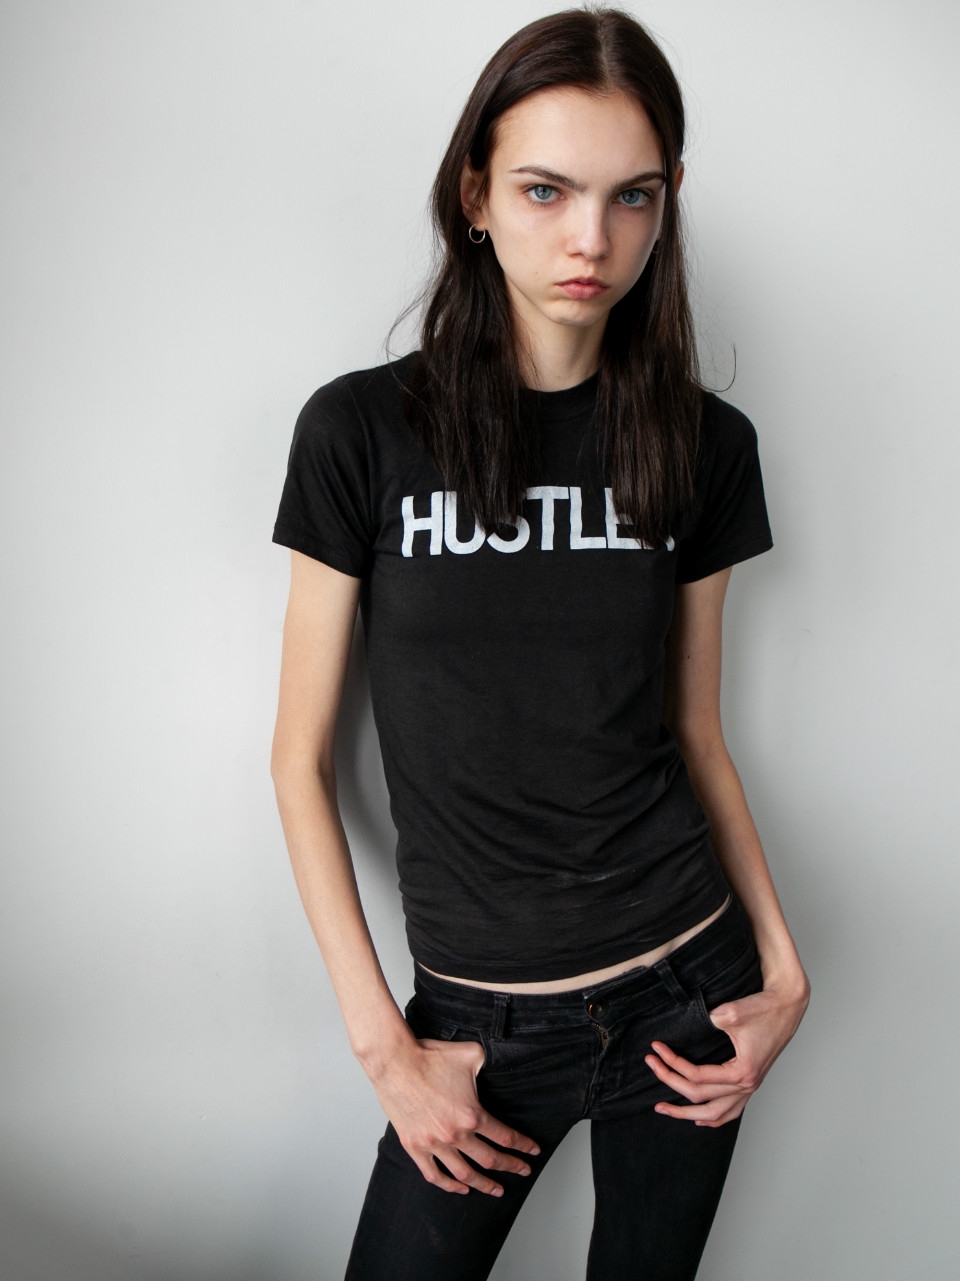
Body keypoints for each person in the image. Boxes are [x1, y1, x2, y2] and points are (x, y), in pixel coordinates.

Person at [270, 8, 809, 1279]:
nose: (590, 240)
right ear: (475, 195)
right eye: (545, 189)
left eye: (633, 196)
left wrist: (785, 972)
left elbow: (696, 733)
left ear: (667, 203)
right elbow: (298, 762)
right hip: (478, 1031)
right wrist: (386, 1049)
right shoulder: (360, 433)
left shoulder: (705, 445)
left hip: (689, 991)